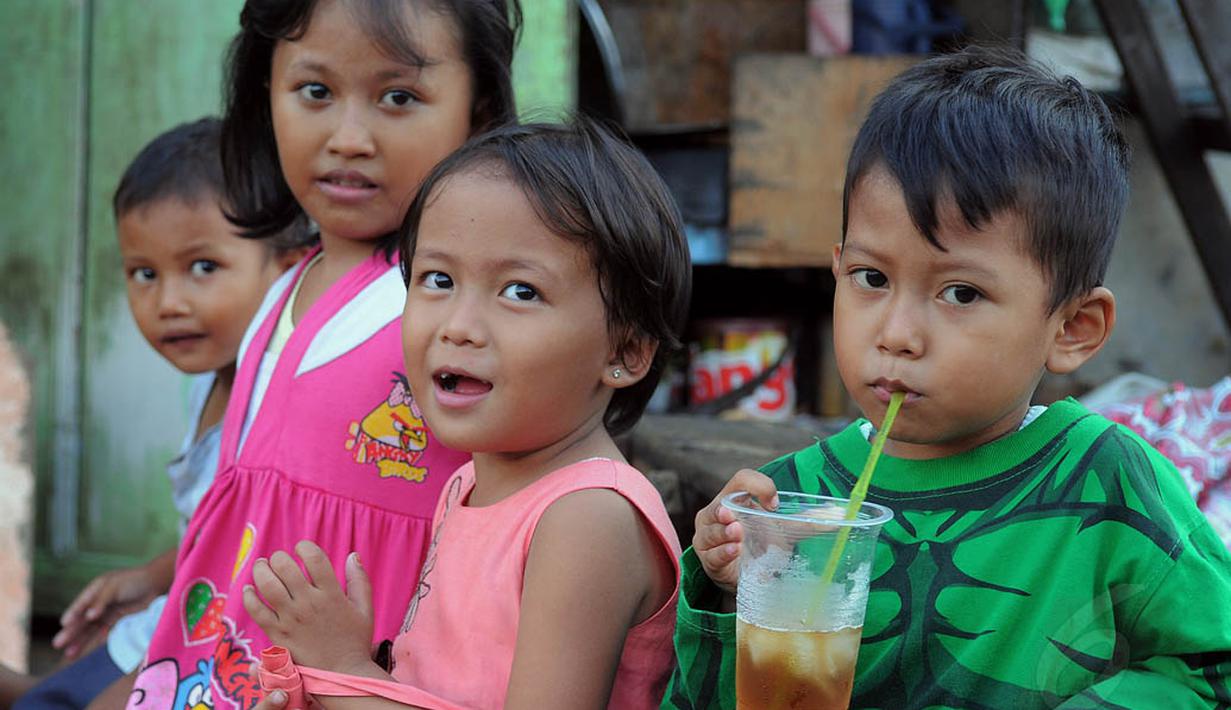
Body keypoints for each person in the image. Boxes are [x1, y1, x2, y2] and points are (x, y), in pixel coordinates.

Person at [664, 47, 1231, 708]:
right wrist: (727, 589)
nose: (896, 334)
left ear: (1071, 327)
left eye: (960, 293)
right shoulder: (795, 504)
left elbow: (1212, 668)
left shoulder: (1106, 485)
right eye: (871, 279)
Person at [129, 1, 521, 707]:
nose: (347, 137)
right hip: (222, 667)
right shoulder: (283, 286)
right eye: (315, 92)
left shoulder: (455, 305)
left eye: (398, 97)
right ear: (263, 96)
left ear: (481, 110)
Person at [241, 118, 692, 709]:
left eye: (519, 291)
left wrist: (341, 670)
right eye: (437, 279)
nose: (457, 325)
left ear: (625, 351)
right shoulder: (468, 483)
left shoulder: (586, 519)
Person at [4, 118, 311, 710]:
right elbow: (215, 533)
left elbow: (258, 555)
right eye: (144, 273)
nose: (168, 303)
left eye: (203, 268)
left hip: (219, 655)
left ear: (290, 268)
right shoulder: (205, 382)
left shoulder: (276, 401)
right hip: (172, 618)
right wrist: (152, 574)